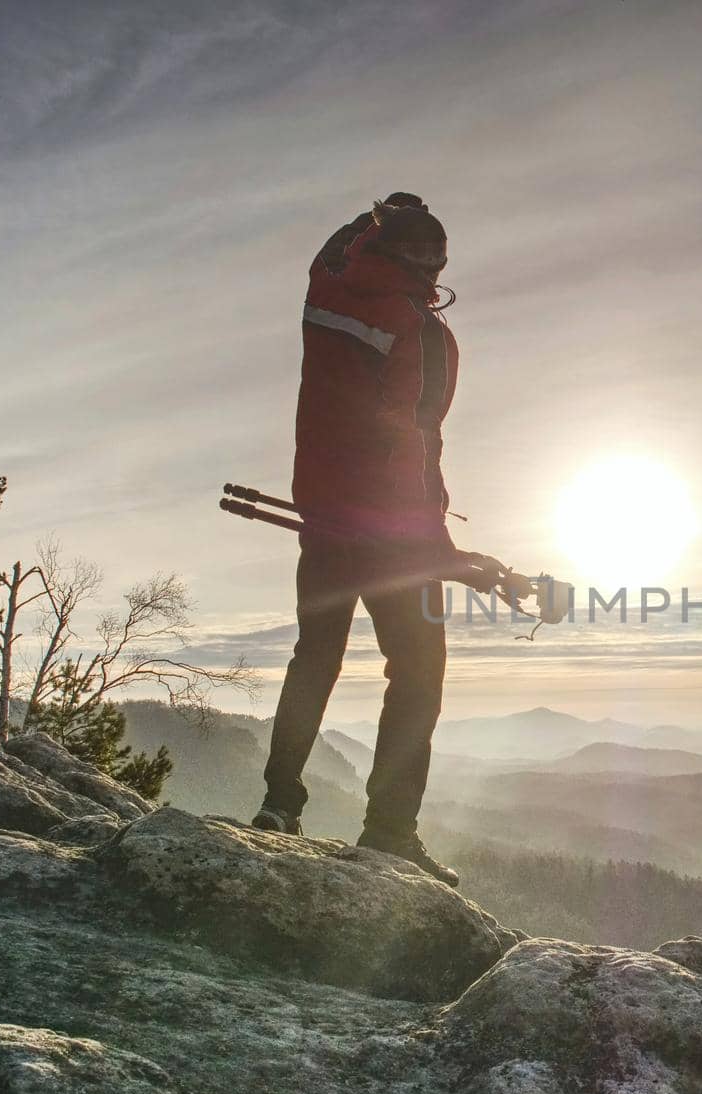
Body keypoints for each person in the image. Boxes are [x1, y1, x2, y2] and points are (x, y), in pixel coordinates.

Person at [253, 193, 460, 887]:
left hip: (322, 514)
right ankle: (389, 832)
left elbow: (330, 249)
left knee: (315, 656)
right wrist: (435, 541)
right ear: (425, 261)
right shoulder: (422, 331)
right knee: (420, 670)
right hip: (392, 533)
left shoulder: (327, 287)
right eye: (434, 256)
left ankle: (279, 806)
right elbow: (417, 444)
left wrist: (374, 217)